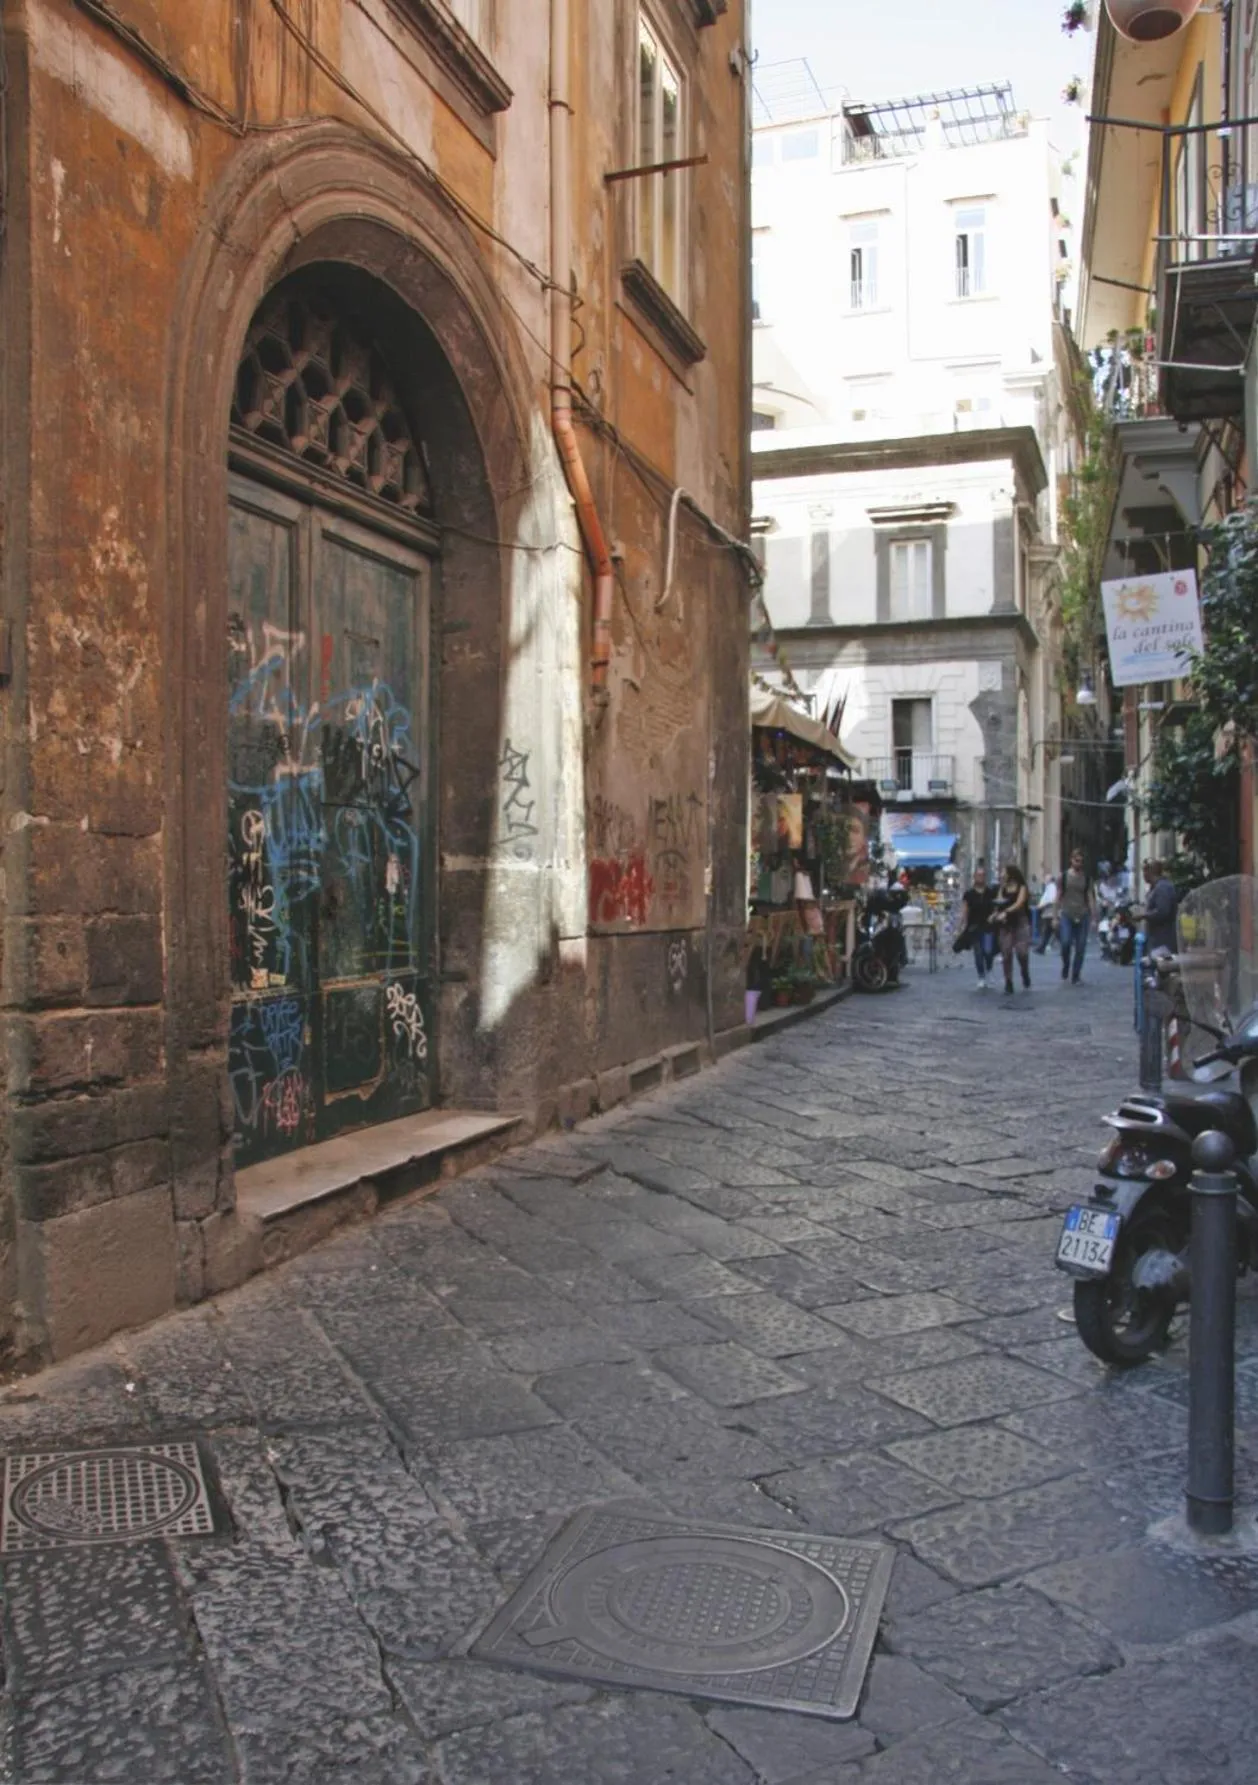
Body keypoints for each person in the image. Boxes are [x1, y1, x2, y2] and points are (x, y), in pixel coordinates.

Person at [1058, 847, 1097, 985]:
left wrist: (1093, 917)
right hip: (1067, 913)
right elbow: (1058, 896)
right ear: (1071, 860)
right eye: (1076, 860)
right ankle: (1066, 964)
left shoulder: (1086, 878)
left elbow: (1090, 897)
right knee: (1065, 942)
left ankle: (1075, 975)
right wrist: (1054, 916)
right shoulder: (1063, 877)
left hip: (1083, 914)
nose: (1078, 864)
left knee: (1081, 946)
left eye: (1080, 861)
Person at [993, 862, 1032, 994]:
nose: (1001, 874)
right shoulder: (1003, 887)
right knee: (1006, 952)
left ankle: (1024, 971)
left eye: (1003, 871)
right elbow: (999, 901)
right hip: (1006, 923)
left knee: (1022, 952)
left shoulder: (1022, 887)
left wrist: (1007, 911)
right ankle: (1008, 981)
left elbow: (1019, 903)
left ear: (1010, 873)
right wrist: (996, 914)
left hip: (1020, 922)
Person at [959, 863, 997, 990]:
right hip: (974, 927)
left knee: (988, 951)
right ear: (974, 877)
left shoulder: (991, 893)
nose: (980, 877)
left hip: (988, 927)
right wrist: (962, 924)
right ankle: (981, 976)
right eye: (978, 875)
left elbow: (996, 907)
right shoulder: (969, 894)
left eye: (982, 875)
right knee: (978, 952)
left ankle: (989, 969)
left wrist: (994, 916)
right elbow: (965, 910)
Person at [1142, 858, 1179, 954]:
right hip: (1156, 940)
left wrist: (1143, 915)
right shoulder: (1155, 887)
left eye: (1144, 871)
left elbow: (1162, 912)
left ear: (1150, 871)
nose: (1143, 875)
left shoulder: (1162, 887)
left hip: (1163, 942)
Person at [1035, 872, 1059, 955]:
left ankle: (1066, 946)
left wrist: (1042, 906)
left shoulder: (1052, 887)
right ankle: (1041, 948)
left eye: (1046, 879)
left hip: (1050, 912)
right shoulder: (1048, 887)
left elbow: (1051, 900)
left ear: (1049, 880)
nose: (1044, 880)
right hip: (1047, 913)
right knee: (1047, 931)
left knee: (1055, 931)